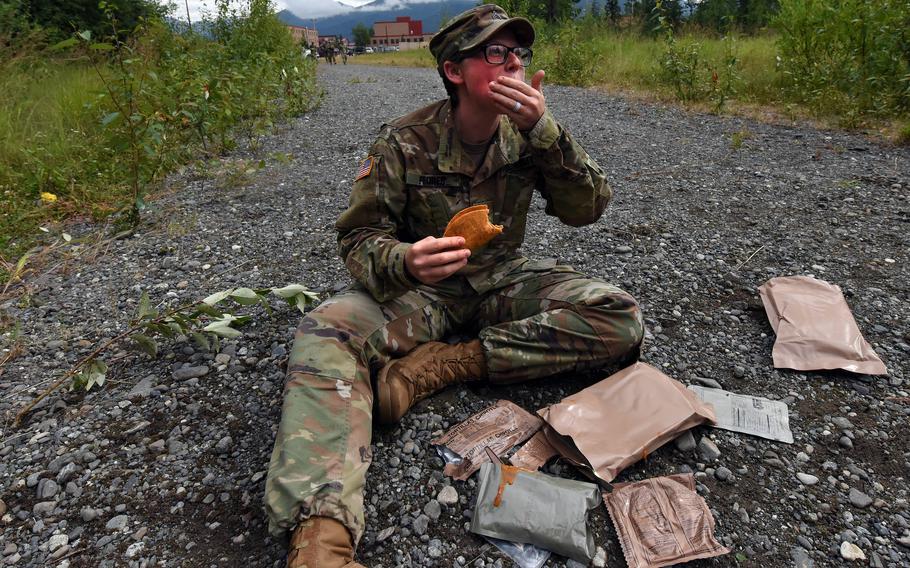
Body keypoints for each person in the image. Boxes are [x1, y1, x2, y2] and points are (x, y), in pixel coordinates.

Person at [265, 5, 644, 567]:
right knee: (326, 332)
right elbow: (358, 238)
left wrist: (548, 134)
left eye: (518, 53)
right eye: (495, 53)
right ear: (454, 71)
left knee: (620, 317)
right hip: (427, 293)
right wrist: (406, 261)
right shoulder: (403, 141)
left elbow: (587, 209)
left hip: (504, 280)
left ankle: (447, 365)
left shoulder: (529, 138)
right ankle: (322, 537)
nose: (514, 63)